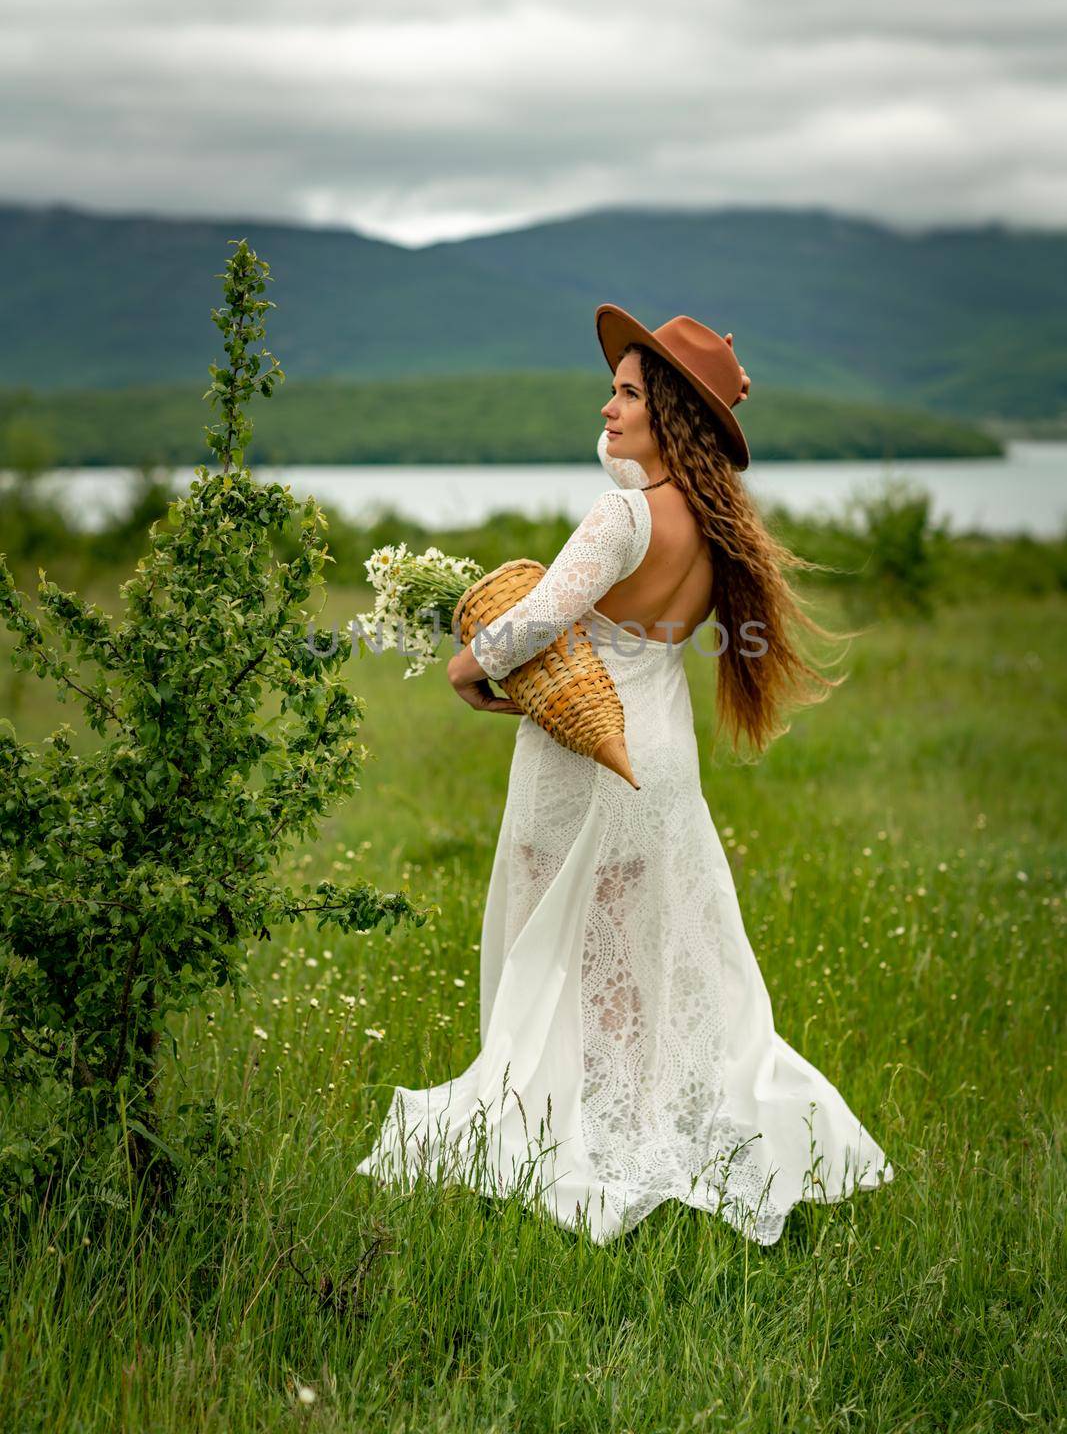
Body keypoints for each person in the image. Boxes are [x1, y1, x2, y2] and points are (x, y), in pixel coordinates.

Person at [355, 306, 895, 1246]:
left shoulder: (624, 514)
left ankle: (568, 1144)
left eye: (628, 393)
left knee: (549, 948)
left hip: (582, 758)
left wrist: (463, 664)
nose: (607, 406)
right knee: (639, 961)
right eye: (614, 388)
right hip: (661, 754)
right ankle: (638, 1131)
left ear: (669, 414)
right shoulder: (711, 523)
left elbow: (529, 627)